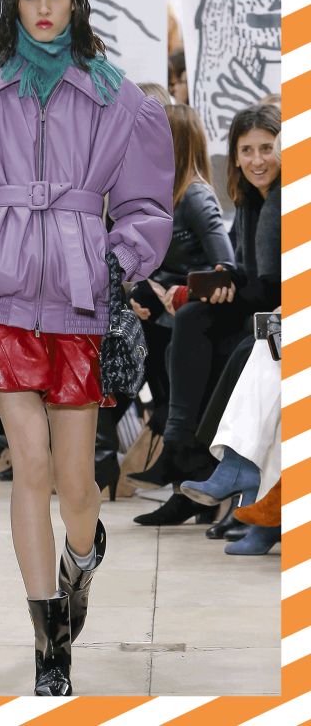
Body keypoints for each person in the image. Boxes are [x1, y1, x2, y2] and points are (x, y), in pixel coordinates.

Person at [0, 0, 174, 695]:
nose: (46, 6)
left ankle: (81, 560)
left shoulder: (119, 98)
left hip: (77, 299)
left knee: (76, 482)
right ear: (14, 1)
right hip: (0, 299)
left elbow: (146, 206)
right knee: (29, 465)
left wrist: (116, 262)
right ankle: (48, 644)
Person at [128, 103, 281, 521]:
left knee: (209, 337)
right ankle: (180, 449)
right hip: (250, 309)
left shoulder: (216, 197)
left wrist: (192, 289)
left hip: (272, 315)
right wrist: (209, 283)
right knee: (187, 321)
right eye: (247, 150)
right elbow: (239, 268)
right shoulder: (248, 199)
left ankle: (193, 461)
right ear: (235, 156)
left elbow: (268, 283)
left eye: (266, 148)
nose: (257, 160)